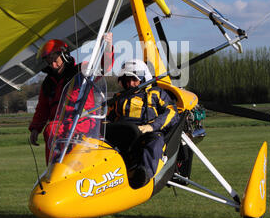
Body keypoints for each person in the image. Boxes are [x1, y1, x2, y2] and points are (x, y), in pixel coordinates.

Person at [29, 35, 113, 165]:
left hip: (83, 122)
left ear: (64, 56)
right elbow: (42, 108)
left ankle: (66, 167)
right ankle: (54, 169)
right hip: (61, 127)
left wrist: (107, 46)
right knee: (51, 129)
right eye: (48, 61)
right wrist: (35, 128)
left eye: (55, 59)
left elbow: (105, 67)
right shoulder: (48, 83)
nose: (53, 64)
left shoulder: (81, 71)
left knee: (52, 129)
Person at [107, 59, 179, 188]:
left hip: (147, 133)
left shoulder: (156, 93)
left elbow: (172, 112)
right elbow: (107, 118)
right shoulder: (117, 98)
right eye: (127, 80)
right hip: (123, 135)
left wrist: (151, 126)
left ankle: (144, 175)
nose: (131, 84)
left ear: (144, 78)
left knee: (155, 141)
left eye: (135, 80)